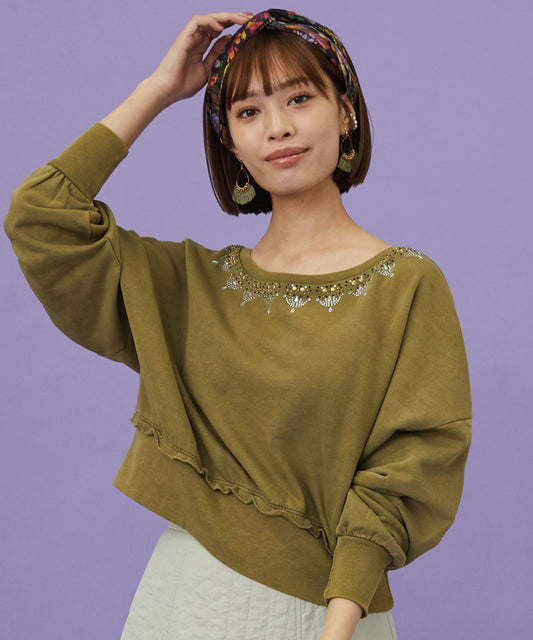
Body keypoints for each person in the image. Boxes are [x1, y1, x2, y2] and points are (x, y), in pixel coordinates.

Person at [4, 8, 472, 640]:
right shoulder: (191, 287)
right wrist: (159, 90)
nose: (278, 128)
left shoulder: (406, 284)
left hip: (328, 612)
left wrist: (336, 628)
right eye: (248, 111)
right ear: (231, 142)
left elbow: (412, 465)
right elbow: (40, 216)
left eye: (299, 98)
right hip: (184, 604)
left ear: (345, 112)